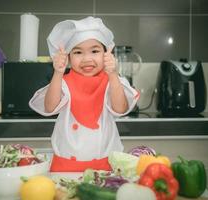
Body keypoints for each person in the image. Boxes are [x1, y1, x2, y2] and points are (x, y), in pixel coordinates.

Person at [29, 16, 139, 172]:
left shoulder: (111, 82)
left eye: (94, 51)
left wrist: (113, 74)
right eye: (78, 52)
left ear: (106, 54)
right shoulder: (64, 82)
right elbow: (49, 107)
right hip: (66, 167)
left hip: (105, 167)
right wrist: (58, 73)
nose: (87, 59)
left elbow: (120, 108)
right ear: (68, 57)